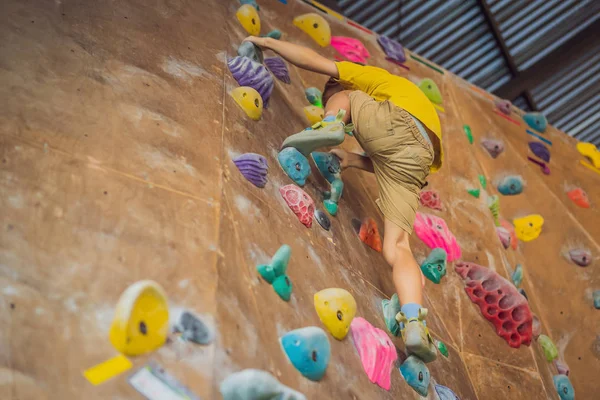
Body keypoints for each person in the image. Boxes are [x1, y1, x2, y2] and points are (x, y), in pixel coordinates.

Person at [244, 36, 443, 362]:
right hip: (420, 156)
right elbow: (395, 155)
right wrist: (351, 160)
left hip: (396, 123)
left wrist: (265, 41)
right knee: (398, 248)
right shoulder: (407, 102)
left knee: (348, 98)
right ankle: (414, 322)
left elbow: (311, 58)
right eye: (346, 120)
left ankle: (331, 121)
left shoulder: (372, 80)